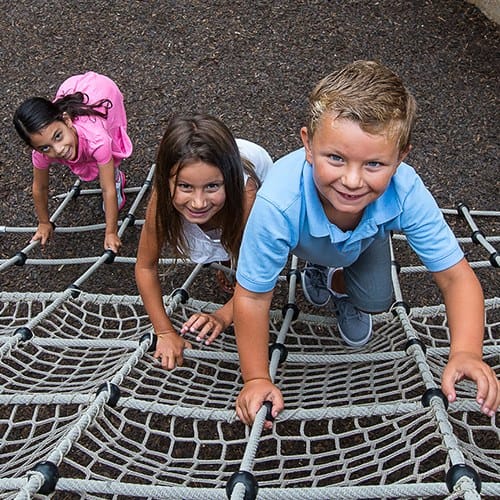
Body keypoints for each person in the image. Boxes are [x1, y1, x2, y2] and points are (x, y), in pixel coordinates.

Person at [233, 60, 500, 428]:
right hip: (303, 236)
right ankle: (318, 266)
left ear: (401, 158)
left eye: (374, 163)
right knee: (308, 251)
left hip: (365, 236)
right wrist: (256, 378)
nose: (353, 180)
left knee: (377, 299)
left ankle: (334, 281)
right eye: (336, 158)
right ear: (308, 144)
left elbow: (455, 277)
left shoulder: (404, 189)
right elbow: (252, 295)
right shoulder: (278, 203)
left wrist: (467, 351)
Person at [135, 113, 273, 370]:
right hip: (226, 164)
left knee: (243, 246)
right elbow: (145, 267)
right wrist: (164, 332)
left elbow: (262, 277)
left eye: (211, 187)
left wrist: (223, 316)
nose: (198, 202)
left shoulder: (247, 200)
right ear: (167, 182)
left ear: (228, 183)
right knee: (217, 228)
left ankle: (227, 252)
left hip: (252, 166)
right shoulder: (162, 199)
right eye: (185, 187)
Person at [13, 71, 133, 253]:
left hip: (103, 92)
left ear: (67, 121)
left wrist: (111, 232)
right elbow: (39, 187)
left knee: (108, 157)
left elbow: (106, 188)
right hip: (72, 91)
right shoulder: (42, 150)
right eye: (46, 147)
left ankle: (118, 177)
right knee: (73, 150)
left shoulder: (97, 139)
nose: (58, 149)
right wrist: (44, 222)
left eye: (58, 136)